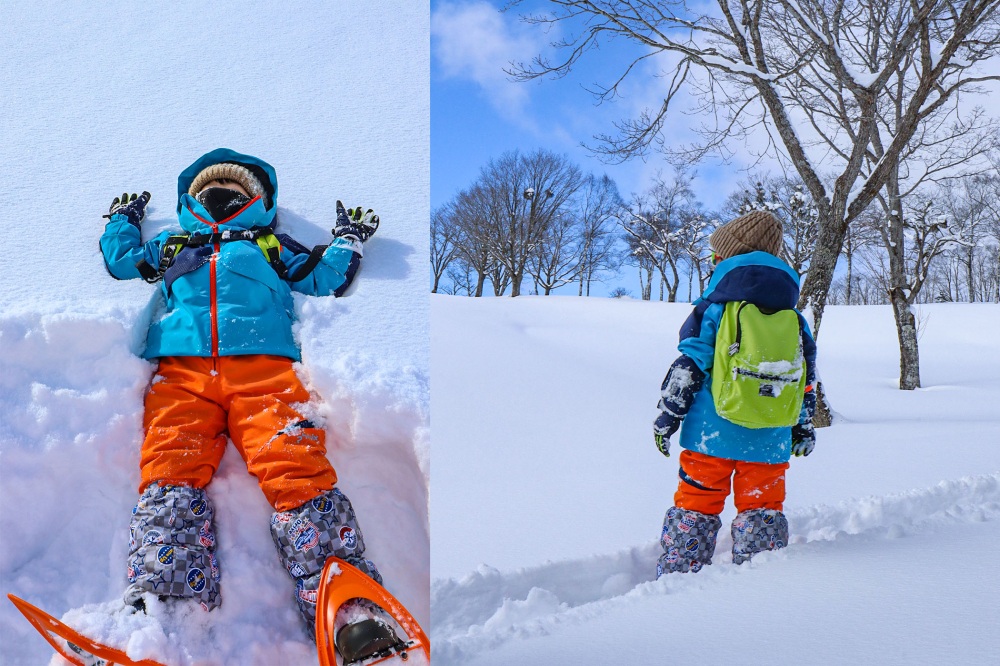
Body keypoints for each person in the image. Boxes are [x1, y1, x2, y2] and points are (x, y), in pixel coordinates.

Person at [100, 148, 396, 660]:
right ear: (190, 203)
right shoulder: (175, 243)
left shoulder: (269, 243)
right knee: (170, 465)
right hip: (183, 372)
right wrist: (122, 223)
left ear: (258, 201)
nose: (221, 198)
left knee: (295, 464)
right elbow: (124, 263)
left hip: (265, 371)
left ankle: (346, 608)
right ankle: (165, 609)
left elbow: (323, 277)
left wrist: (346, 241)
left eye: (236, 192)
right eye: (208, 191)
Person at [651, 210, 817, 576]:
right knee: (762, 505)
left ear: (724, 260)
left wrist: (668, 415)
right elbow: (805, 377)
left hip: (711, 435)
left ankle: (680, 572)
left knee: (697, 501)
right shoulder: (794, 317)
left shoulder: (713, 309)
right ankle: (761, 576)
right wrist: (802, 425)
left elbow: (689, 366)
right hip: (770, 435)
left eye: (715, 257)